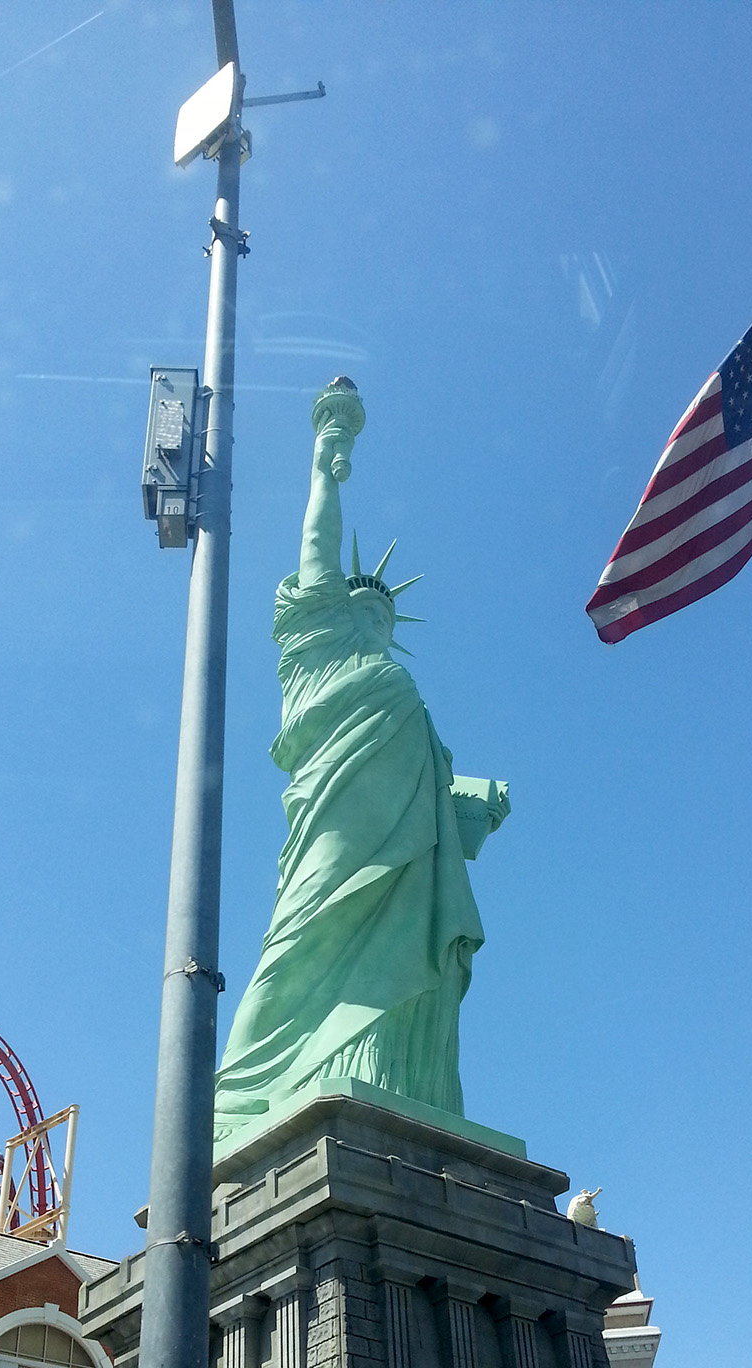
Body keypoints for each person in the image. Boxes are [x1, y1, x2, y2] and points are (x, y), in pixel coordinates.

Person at [214, 380, 507, 1142]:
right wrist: (327, 459)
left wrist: (472, 800)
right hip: (334, 828)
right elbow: (317, 550)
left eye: (385, 614)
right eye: (362, 607)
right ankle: (235, 1097)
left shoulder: (406, 698)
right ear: (337, 611)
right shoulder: (318, 653)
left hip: (408, 862)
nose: (375, 617)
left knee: (406, 969)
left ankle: (386, 1071)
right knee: (297, 944)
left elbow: (432, 793)